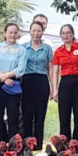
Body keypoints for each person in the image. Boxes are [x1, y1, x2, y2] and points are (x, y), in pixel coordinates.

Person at [0, 23, 27, 141]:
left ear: (18, 34)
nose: (12, 35)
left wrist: (6, 76)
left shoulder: (22, 50)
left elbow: (21, 69)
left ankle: (13, 144)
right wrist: (2, 77)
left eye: (15, 32)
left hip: (13, 84)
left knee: (13, 116)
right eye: (10, 32)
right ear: (5, 33)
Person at [51, 24, 78, 141]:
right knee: (64, 115)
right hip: (65, 83)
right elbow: (55, 71)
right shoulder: (58, 51)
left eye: (68, 33)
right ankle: (64, 142)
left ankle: (77, 142)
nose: (66, 35)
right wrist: (54, 89)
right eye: (63, 33)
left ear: (73, 34)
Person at [22, 20, 53, 149]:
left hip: (42, 82)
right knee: (26, 115)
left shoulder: (47, 48)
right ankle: (26, 144)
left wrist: (52, 87)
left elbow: (50, 68)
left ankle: (38, 145)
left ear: (42, 32)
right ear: (30, 31)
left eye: (38, 31)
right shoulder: (23, 47)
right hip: (27, 81)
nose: (36, 33)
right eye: (33, 30)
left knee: (40, 115)